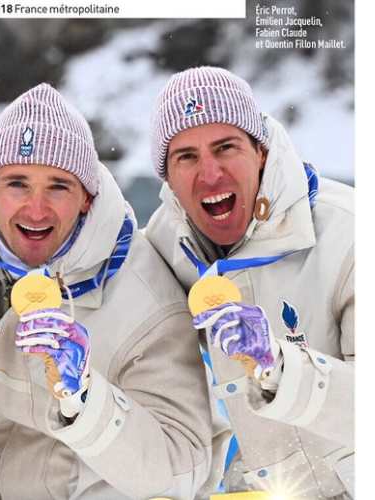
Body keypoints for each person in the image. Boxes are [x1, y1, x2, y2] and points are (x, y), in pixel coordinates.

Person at [0, 83, 212, 499]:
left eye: (58, 186)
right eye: (18, 184)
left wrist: (84, 400)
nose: (36, 209)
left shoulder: (146, 302)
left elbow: (184, 467)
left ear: (88, 197)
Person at [144, 66, 354, 498]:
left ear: (261, 151)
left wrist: (281, 368)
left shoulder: (354, 235)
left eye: (226, 147)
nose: (210, 174)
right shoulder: (164, 246)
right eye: (186, 157)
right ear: (167, 177)